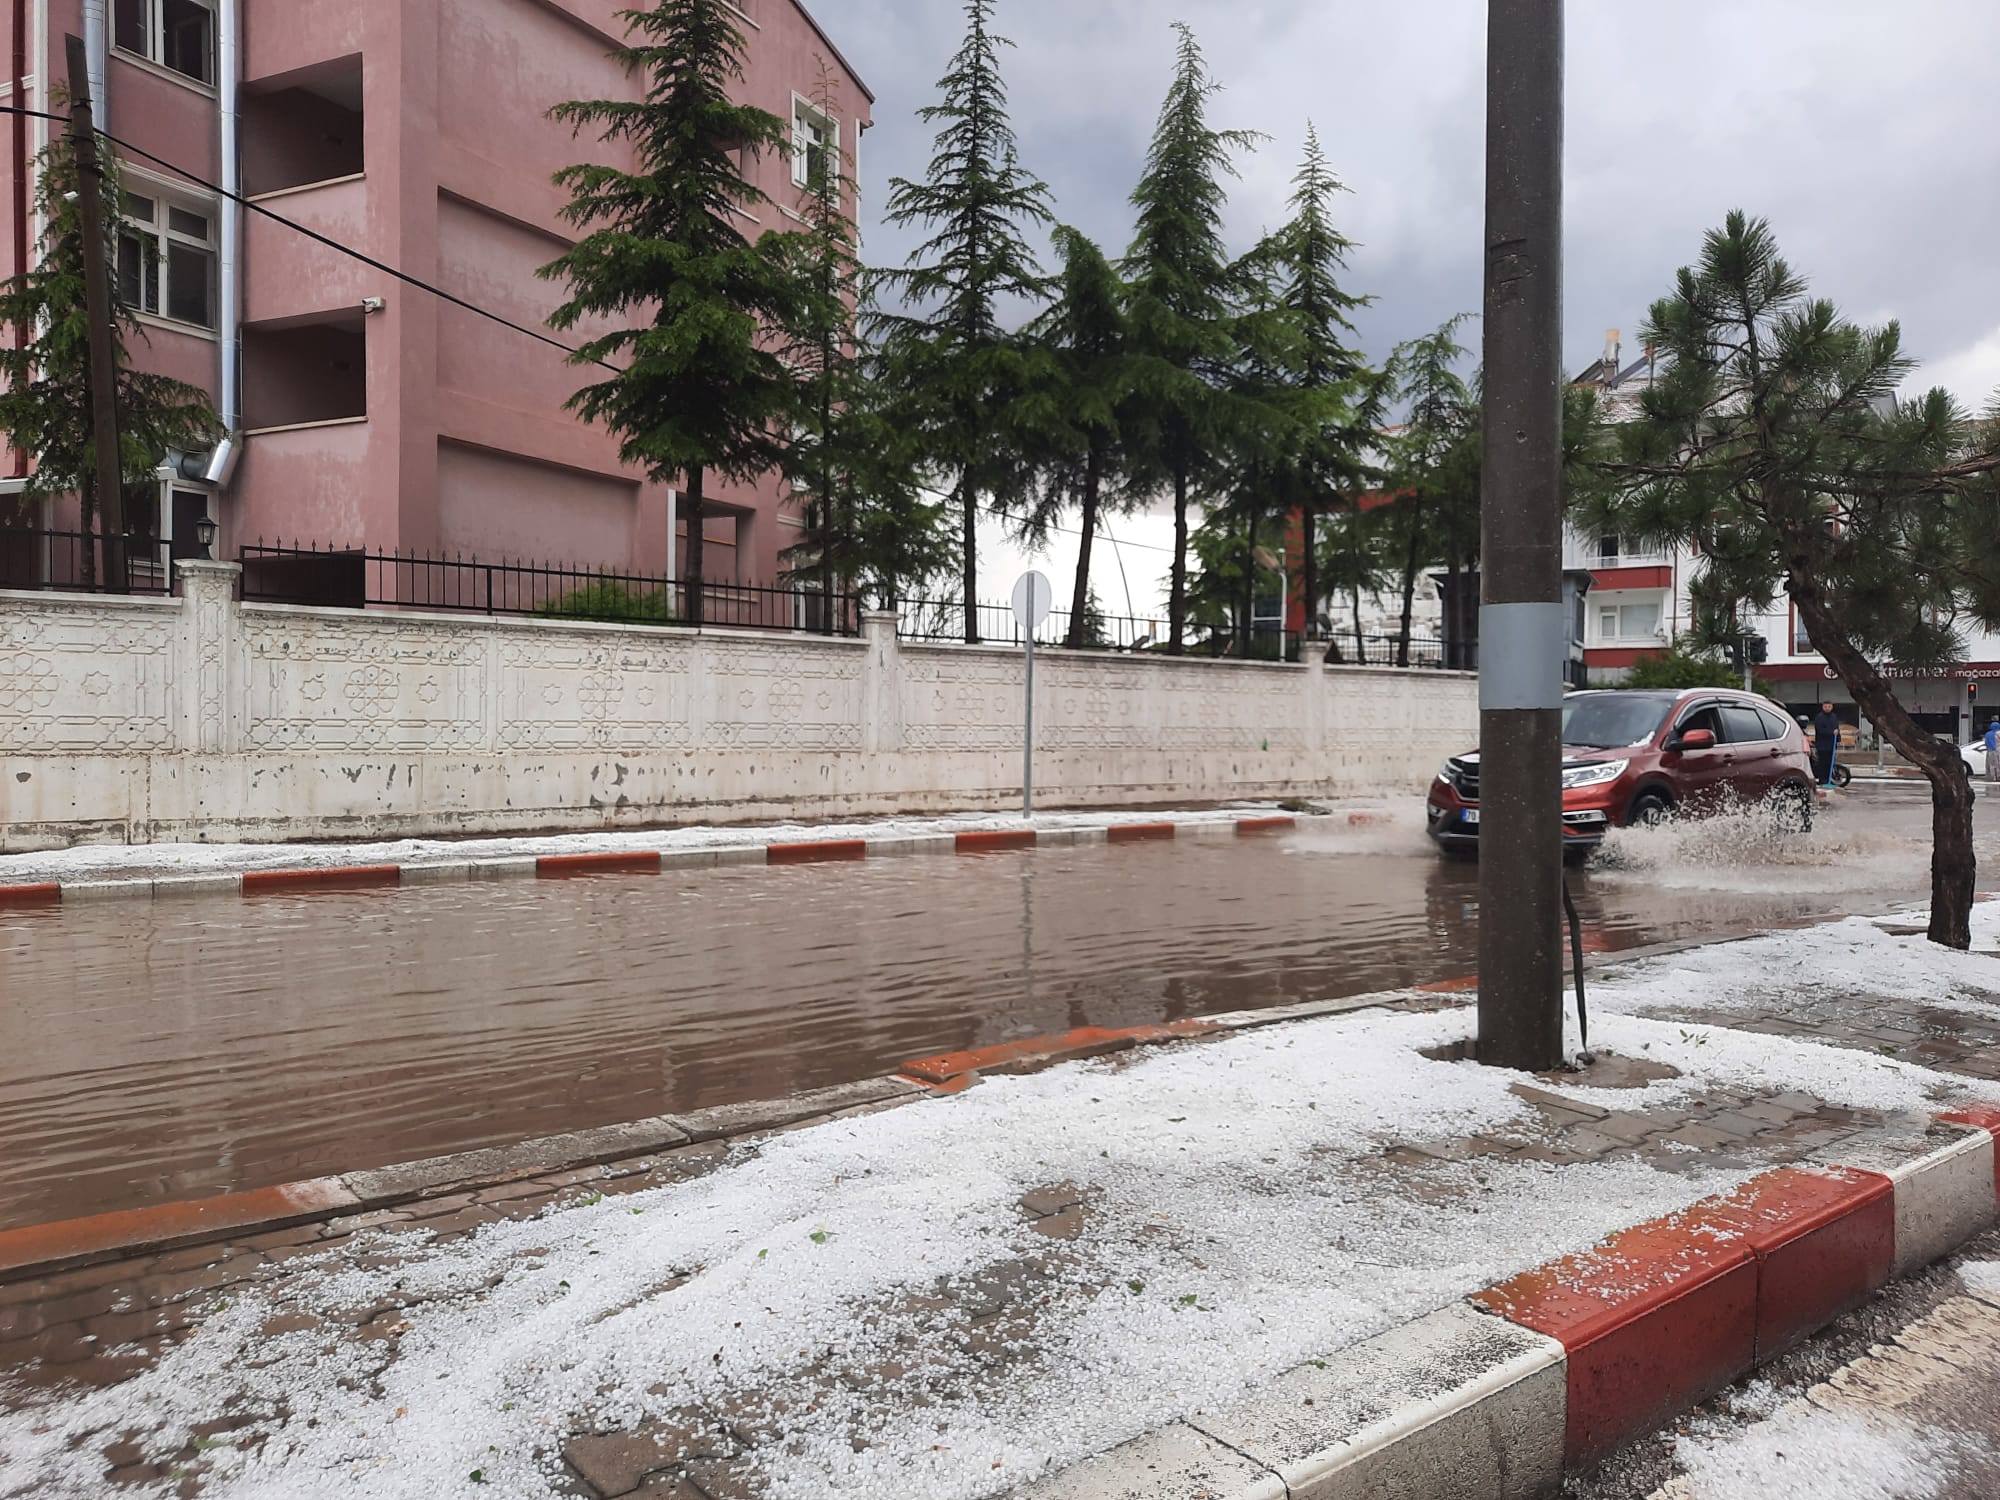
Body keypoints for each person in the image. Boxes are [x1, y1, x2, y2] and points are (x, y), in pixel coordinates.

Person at [1811, 702, 1842, 788]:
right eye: (1826, 706)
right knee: (1823, 763)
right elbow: (1820, 730)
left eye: (1829, 706)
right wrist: (1831, 732)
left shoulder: (1834, 717)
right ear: (1823, 707)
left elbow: (1837, 728)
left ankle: (1829, 779)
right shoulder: (1819, 717)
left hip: (1832, 744)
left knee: (1830, 763)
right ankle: (1822, 780)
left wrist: (1838, 738)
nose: (1827, 708)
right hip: (1822, 744)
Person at [1985, 716, 1999, 783]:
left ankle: (1992, 777)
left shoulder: (1988, 734)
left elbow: (1986, 742)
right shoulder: (1998, 733)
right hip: (1997, 751)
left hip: (1990, 751)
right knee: (1997, 765)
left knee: (1991, 765)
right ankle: (1997, 777)